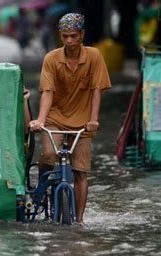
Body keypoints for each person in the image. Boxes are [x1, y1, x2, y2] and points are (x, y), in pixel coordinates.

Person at [29, 13, 111, 224]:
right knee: (48, 154)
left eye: (73, 36)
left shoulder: (94, 56)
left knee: (81, 172)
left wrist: (93, 120)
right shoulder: (51, 58)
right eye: (65, 36)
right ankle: (42, 185)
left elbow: (97, 90)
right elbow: (47, 92)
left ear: (82, 35)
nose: (69, 41)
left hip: (83, 121)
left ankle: (80, 220)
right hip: (55, 118)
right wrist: (40, 120)